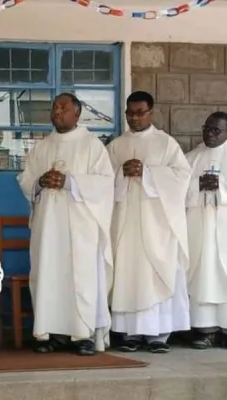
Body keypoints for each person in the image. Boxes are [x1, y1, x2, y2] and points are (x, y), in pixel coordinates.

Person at [17, 93, 114, 356]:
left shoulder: (92, 145)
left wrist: (70, 182)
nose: (57, 112)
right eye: (54, 107)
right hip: (47, 226)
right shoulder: (42, 146)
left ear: (77, 113)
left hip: (80, 227)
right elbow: (25, 180)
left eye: (63, 107)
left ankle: (81, 334)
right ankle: (48, 333)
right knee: (48, 275)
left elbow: (106, 183)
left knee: (79, 278)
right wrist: (40, 182)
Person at [107, 91, 191, 354]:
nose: (134, 117)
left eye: (140, 112)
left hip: (157, 224)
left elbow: (183, 177)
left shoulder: (166, 144)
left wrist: (149, 173)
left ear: (151, 112)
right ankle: (131, 333)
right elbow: (102, 182)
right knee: (129, 273)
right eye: (130, 113)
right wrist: (121, 174)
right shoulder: (116, 146)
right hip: (125, 223)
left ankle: (158, 336)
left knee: (155, 273)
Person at [185, 111, 227, 349]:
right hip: (199, 226)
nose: (209, 134)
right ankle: (204, 329)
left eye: (216, 130)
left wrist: (219, 187)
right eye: (206, 128)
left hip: (224, 225)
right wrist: (198, 185)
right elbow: (176, 190)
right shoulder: (191, 157)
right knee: (202, 275)